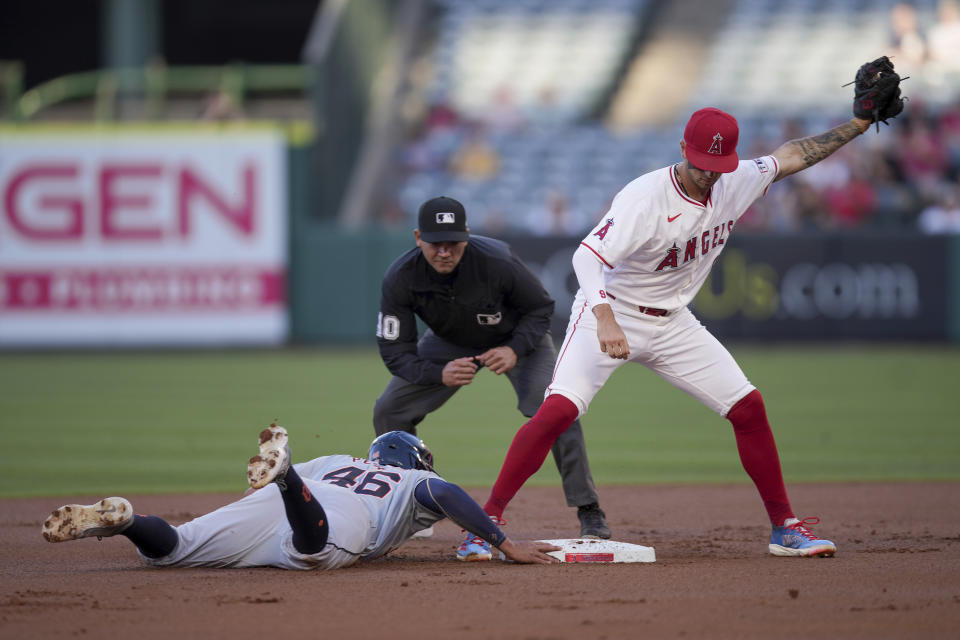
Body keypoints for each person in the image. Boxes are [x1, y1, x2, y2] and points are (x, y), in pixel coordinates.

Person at [466, 70, 907, 560]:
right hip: (612, 314)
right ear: (682, 148)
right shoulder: (644, 198)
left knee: (749, 408)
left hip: (674, 322)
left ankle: (785, 528)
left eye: (718, 164)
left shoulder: (735, 179)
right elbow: (586, 258)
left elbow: (793, 155)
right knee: (557, 412)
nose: (709, 174)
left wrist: (858, 125)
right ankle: (482, 524)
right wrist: (605, 316)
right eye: (701, 164)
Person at [374, 196, 610, 554]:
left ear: (467, 236)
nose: (443, 251)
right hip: (447, 344)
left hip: (517, 341)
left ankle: (588, 508)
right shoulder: (400, 277)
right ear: (418, 236)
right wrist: (438, 372)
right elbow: (395, 351)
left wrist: (514, 349)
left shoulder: (497, 259)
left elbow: (541, 307)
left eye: (452, 242)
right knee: (389, 409)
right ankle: (411, 504)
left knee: (557, 409)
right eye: (434, 242)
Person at [41, 424, 561, 569]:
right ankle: (286, 479)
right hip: (328, 514)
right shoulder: (409, 483)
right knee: (314, 553)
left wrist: (273, 487)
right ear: (413, 461)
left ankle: (128, 521)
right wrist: (500, 541)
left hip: (283, 498)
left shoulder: (338, 459)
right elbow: (444, 491)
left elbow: (253, 488)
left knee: (172, 549)